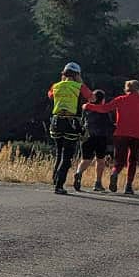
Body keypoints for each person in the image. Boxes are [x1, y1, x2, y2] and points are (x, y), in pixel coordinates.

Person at [83, 79, 139, 195]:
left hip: (121, 133)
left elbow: (105, 108)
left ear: (126, 89)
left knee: (119, 160)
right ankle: (128, 186)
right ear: (138, 89)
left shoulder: (121, 99)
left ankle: (115, 172)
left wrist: (89, 106)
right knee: (132, 160)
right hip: (137, 134)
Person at [46, 61, 93, 195]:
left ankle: (55, 180)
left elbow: (50, 96)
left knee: (59, 153)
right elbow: (92, 98)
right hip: (71, 123)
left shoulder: (56, 86)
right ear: (77, 74)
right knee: (67, 156)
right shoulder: (79, 86)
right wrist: (81, 82)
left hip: (56, 121)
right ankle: (59, 185)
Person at [73, 89, 114, 192]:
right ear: (102, 99)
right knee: (100, 160)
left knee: (85, 159)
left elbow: (82, 121)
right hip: (100, 137)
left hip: (87, 136)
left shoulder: (86, 109)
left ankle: (78, 173)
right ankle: (98, 183)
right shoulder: (104, 110)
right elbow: (109, 124)